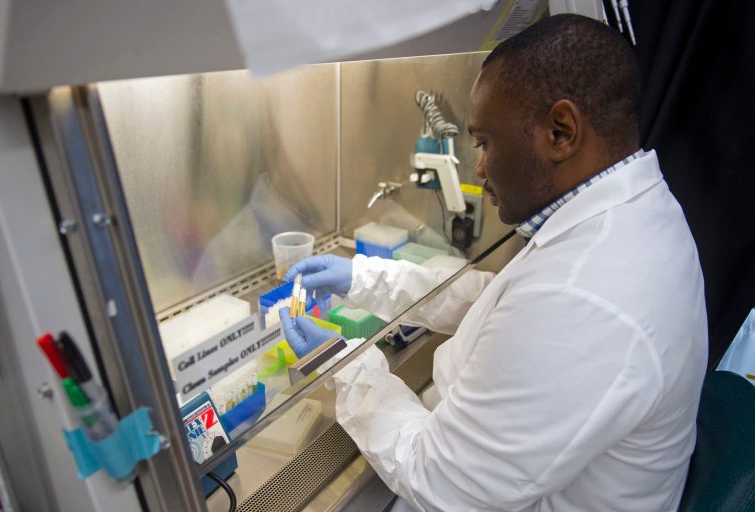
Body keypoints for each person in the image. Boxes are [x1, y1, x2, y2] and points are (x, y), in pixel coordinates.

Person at [279, 14, 707, 512]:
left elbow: (440, 481)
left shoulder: (586, 294)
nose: (479, 168)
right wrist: (368, 278)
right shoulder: (630, 216)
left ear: (560, 131)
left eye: (484, 143)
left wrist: (345, 366)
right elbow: (504, 301)